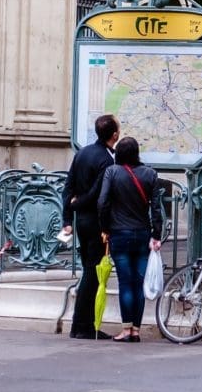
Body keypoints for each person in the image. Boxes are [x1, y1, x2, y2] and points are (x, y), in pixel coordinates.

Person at [98, 136, 163, 343]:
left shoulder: (112, 172)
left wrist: (105, 227)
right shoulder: (150, 174)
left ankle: (126, 330)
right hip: (143, 233)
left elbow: (102, 202)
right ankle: (136, 329)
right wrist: (156, 234)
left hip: (119, 233)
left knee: (125, 284)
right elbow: (156, 208)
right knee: (139, 284)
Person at [60, 113, 119, 340]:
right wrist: (78, 205)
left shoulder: (82, 153)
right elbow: (98, 194)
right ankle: (82, 326)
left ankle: (82, 324)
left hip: (81, 222)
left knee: (89, 270)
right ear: (114, 135)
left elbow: (68, 187)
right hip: (96, 222)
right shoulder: (107, 160)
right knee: (92, 274)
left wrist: (68, 218)